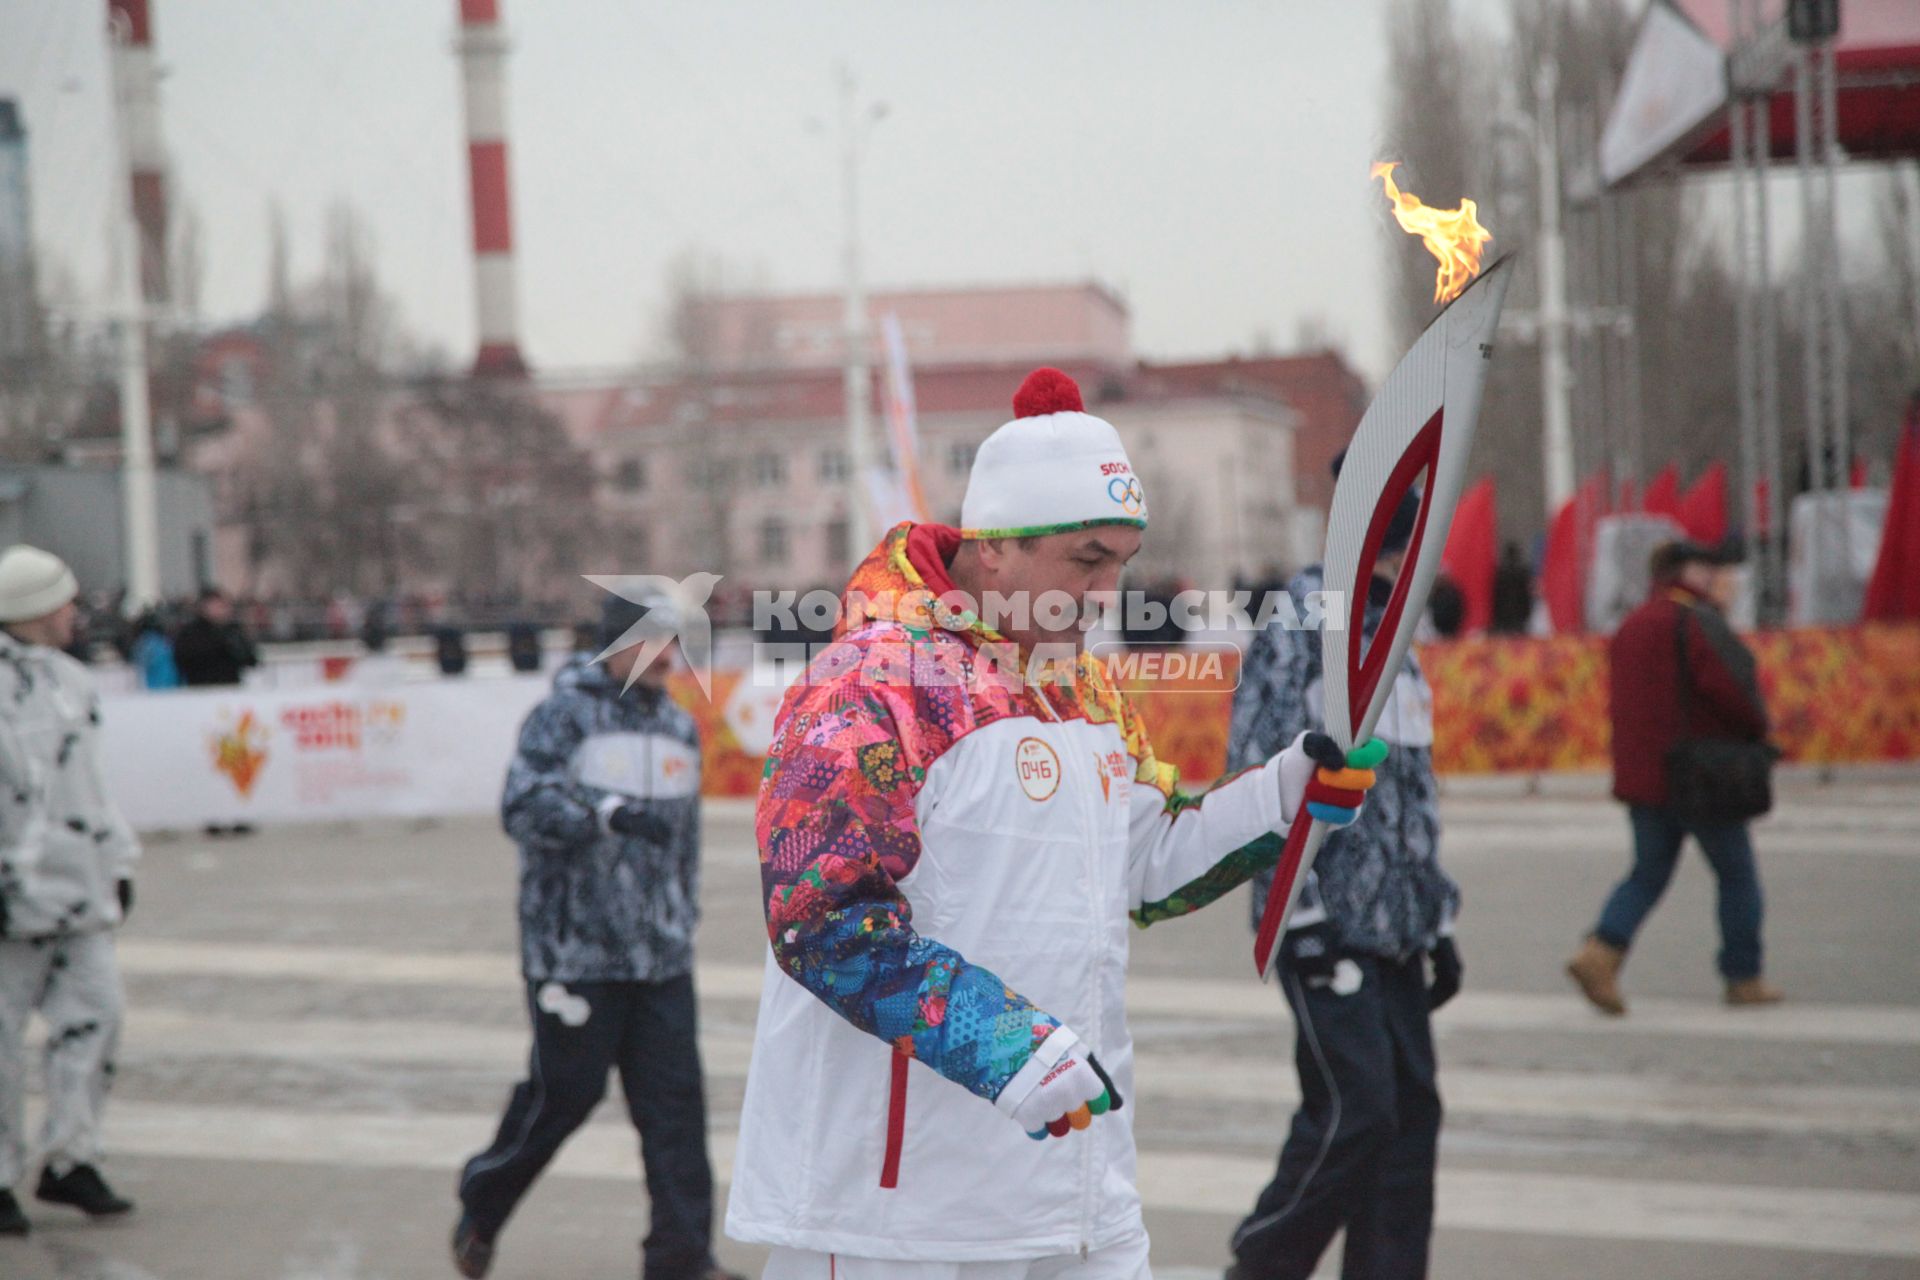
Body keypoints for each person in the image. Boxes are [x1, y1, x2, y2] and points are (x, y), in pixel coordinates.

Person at [728, 368, 1383, 1280]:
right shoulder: (869, 682)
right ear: (995, 548)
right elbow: (821, 916)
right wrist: (1003, 1043)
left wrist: (1279, 797)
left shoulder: (1084, 685)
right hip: (900, 1211)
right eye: (1087, 560)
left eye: (1122, 560)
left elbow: (1143, 868)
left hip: (1076, 1185)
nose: (1109, 589)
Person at [454, 589, 742, 1280]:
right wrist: (604, 814)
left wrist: (681, 912)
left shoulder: (676, 728)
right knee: (565, 1095)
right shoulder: (562, 717)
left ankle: (681, 1256)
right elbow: (521, 805)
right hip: (573, 953)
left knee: (674, 1108)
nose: (668, 658)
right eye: (652, 643)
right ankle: (485, 1196)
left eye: (673, 644)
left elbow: (685, 843)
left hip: (660, 957)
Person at [1222, 468, 1462, 1280]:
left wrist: (1440, 920)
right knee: (1354, 1112)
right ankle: (1261, 1265)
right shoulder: (1302, 622)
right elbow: (1254, 772)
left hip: (1397, 926)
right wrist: (1300, 915)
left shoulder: (1396, 632)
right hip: (1324, 920)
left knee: (1410, 1119)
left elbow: (1411, 789)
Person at [1567, 540, 1781, 1014]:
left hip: (1647, 780)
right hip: (1702, 776)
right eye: (1709, 568)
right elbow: (1735, 691)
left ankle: (1600, 954)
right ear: (1689, 571)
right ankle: (1743, 976)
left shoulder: (1633, 624)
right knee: (1737, 876)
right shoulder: (1696, 621)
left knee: (1647, 874)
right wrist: (1758, 733)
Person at [0, 546, 141, 1236]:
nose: (73, 613)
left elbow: (93, 785)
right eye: (63, 600)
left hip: (79, 895)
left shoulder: (73, 683)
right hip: (9, 902)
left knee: (98, 1017)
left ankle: (70, 1157)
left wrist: (119, 860)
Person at [171, 587, 259, 687]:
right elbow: (185, 658)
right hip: (200, 688)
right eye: (218, 606)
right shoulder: (192, 632)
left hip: (230, 687)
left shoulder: (233, 631)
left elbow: (250, 659)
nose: (223, 610)